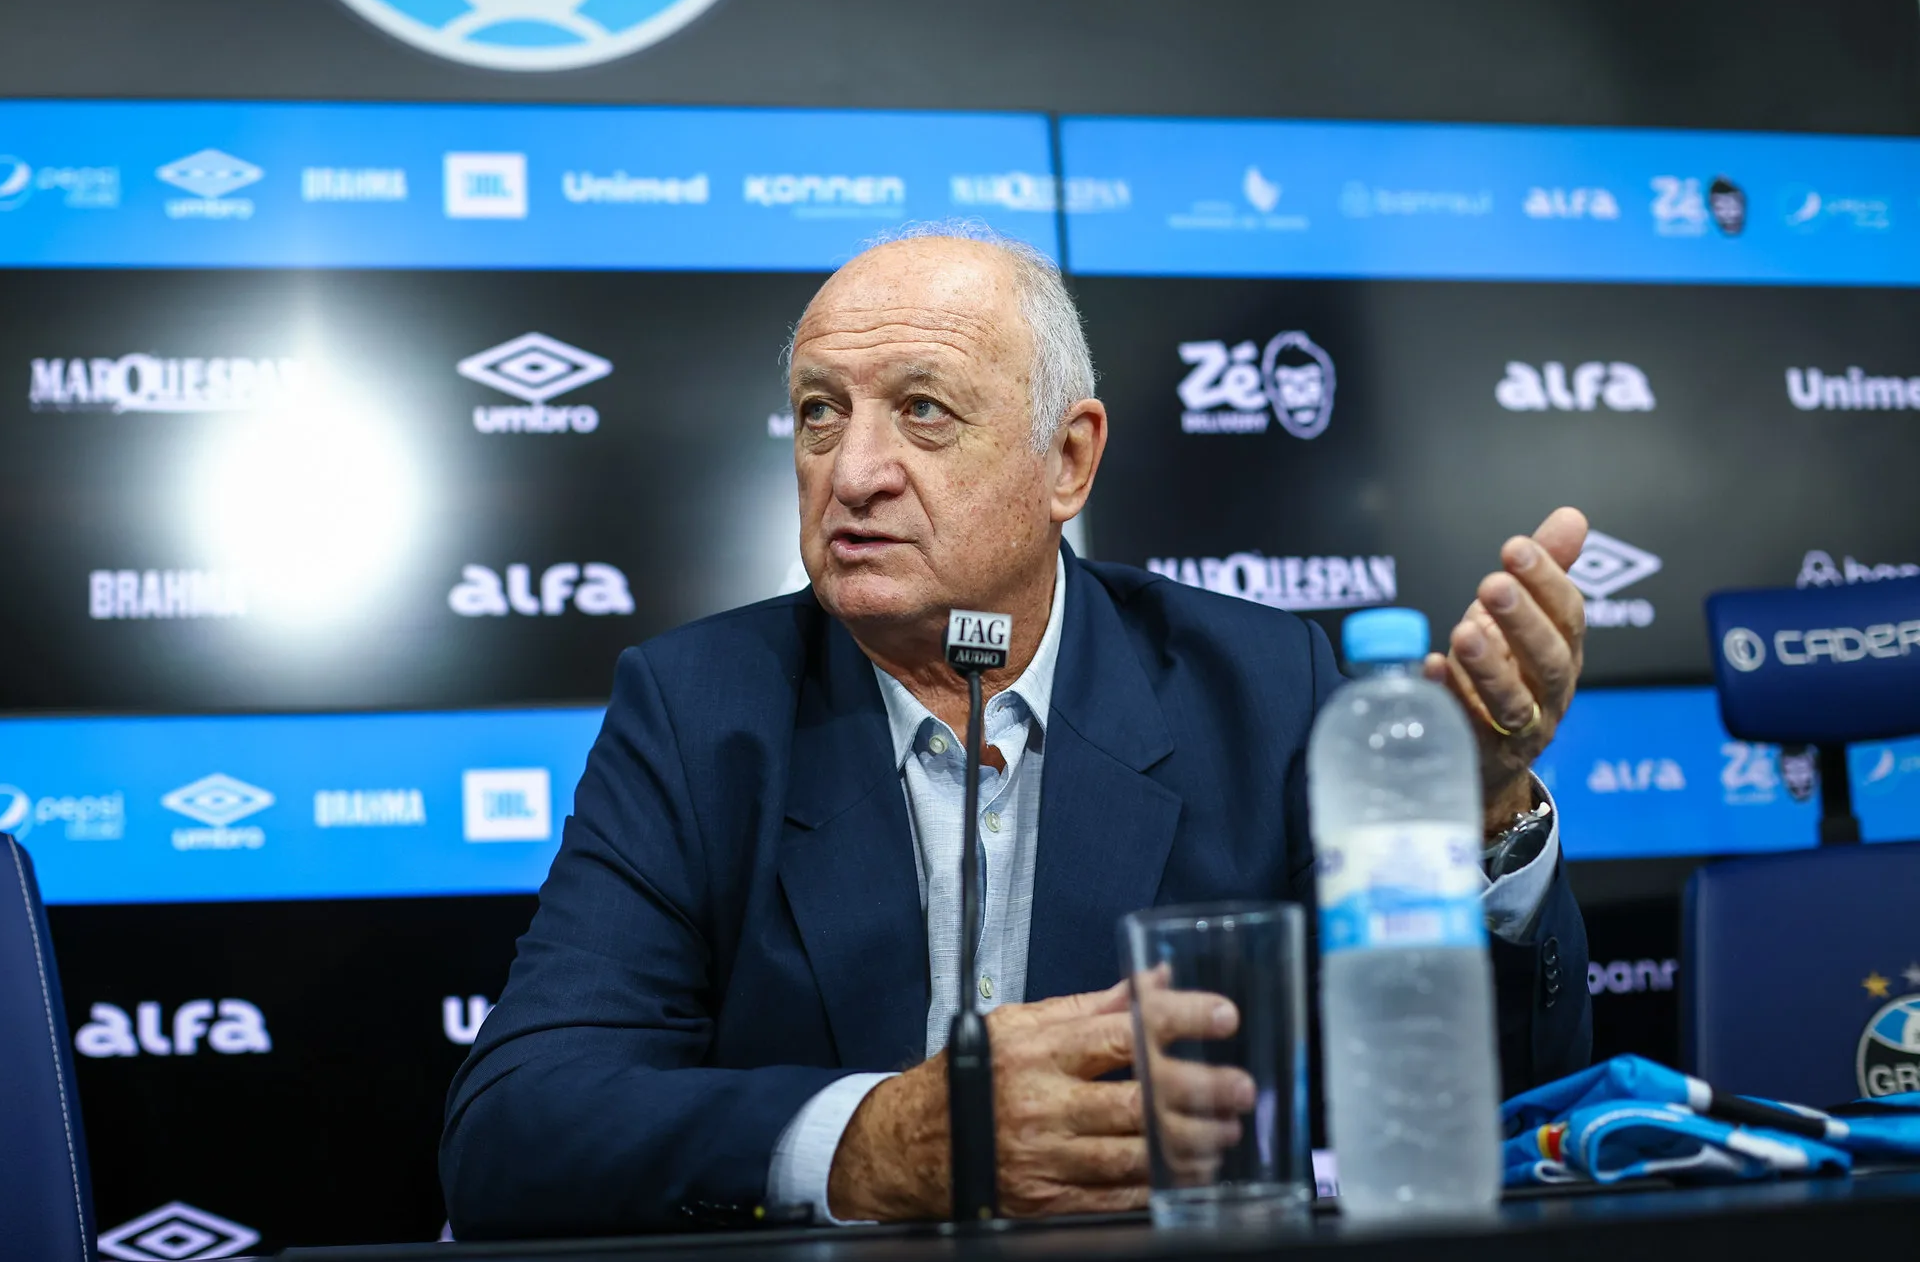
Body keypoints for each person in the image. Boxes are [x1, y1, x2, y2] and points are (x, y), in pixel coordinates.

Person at [441, 224, 1591, 1238]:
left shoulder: (1262, 687)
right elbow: (516, 1124)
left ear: (1067, 460)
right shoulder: (699, 709)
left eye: (923, 411)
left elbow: (1493, 1105)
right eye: (817, 413)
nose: (852, 473)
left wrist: (1473, 820)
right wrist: (873, 1143)